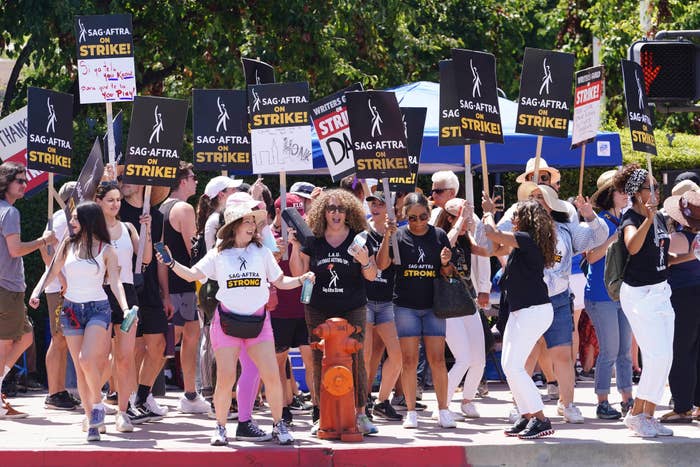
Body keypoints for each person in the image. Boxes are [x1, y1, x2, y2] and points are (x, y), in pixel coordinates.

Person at [156, 201, 313, 446]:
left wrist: (302, 279)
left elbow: (280, 281)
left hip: (259, 323)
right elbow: (193, 275)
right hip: (227, 323)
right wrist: (171, 263)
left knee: (272, 375)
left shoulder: (261, 251)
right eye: (247, 221)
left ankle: (278, 424)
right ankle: (220, 428)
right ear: (234, 226)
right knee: (226, 378)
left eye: (254, 222)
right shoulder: (219, 253)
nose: (252, 226)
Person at [30, 201, 131, 442]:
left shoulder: (106, 249)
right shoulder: (68, 244)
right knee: (80, 366)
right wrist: (36, 292)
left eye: (75, 218)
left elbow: (115, 282)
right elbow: (52, 271)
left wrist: (125, 308)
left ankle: (96, 405)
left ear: (88, 221)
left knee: (87, 359)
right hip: (71, 310)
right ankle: (93, 419)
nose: (72, 222)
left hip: (98, 309)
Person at [289, 188, 379, 436]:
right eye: (331, 209)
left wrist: (365, 262)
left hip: (352, 307)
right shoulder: (313, 239)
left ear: (348, 212)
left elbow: (371, 276)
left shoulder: (360, 238)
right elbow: (300, 272)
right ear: (323, 212)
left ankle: (360, 413)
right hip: (318, 308)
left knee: (357, 358)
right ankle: (321, 414)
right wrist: (295, 247)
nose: (336, 213)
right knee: (319, 360)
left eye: (341, 209)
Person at [613, 164, 695, 437]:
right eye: (652, 187)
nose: (657, 192)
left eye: (656, 187)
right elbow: (632, 247)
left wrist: (692, 255)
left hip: (661, 292)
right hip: (639, 295)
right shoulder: (632, 219)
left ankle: (647, 414)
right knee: (656, 355)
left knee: (665, 358)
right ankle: (637, 413)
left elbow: (665, 259)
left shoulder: (659, 218)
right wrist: (647, 219)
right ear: (637, 193)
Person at [522, 184, 607, 424]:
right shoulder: (521, 228)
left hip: (558, 298)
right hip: (530, 299)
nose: (537, 200)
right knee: (528, 353)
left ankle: (567, 404)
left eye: (541, 196)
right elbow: (493, 241)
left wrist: (589, 215)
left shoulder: (567, 229)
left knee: (561, 354)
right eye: (533, 197)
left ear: (552, 202)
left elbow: (598, 236)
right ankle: (523, 405)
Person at [483, 199, 557, 439]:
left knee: (514, 366)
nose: (512, 219)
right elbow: (493, 248)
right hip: (523, 310)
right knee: (509, 366)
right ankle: (527, 416)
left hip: (532, 310)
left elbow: (493, 233)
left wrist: (488, 213)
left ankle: (540, 418)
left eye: (515, 215)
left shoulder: (525, 239)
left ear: (525, 219)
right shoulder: (521, 243)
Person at [391, 192, 454, 429]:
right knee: (408, 361)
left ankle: (444, 409)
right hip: (406, 305)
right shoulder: (397, 236)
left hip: (433, 306)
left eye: (423, 216)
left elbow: (447, 274)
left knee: (437, 360)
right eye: (412, 218)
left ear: (429, 213)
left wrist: (446, 263)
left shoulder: (439, 236)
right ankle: (411, 411)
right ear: (405, 217)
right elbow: (384, 266)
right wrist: (388, 235)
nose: (418, 222)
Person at [0, 162, 57, 419]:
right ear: (5, 183)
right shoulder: (9, 213)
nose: (25, 184)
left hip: (7, 287)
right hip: (6, 287)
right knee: (9, 343)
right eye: (19, 181)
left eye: (25, 180)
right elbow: (15, 250)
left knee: (25, 337)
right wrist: (44, 241)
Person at [95, 182, 151, 432]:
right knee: (101, 356)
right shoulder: (92, 229)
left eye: (118, 199)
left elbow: (146, 258)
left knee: (126, 357)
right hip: (100, 293)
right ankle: (93, 404)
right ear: (99, 202)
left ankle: (123, 412)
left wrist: (146, 230)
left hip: (127, 294)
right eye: (110, 200)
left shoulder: (128, 228)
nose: (116, 204)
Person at [117, 173, 171, 422]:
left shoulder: (157, 216)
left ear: (144, 184)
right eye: (120, 178)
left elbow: (159, 255)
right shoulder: (115, 209)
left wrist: (166, 293)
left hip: (149, 287)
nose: (123, 182)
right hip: (125, 286)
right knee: (132, 348)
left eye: (127, 178)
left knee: (158, 345)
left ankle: (142, 396)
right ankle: (124, 400)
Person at [159, 162, 210, 414]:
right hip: (182, 284)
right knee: (169, 342)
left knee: (188, 336)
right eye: (192, 177)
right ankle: (138, 392)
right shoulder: (185, 209)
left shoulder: (162, 208)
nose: (196, 181)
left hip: (171, 284)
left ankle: (190, 394)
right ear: (181, 181)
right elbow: (195, 252)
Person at [583, 170, 634, 420]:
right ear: (609, 194)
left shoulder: (625, 218)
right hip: (601, 295)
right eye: (621, 190)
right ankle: (602, 401)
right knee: (610, 351)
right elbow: (591, 256)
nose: (627, 195)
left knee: (624, 351)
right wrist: (615, 238)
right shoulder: (599, 221)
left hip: (622, 293)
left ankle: (627, 399)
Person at [435, 198, 492, 419]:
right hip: (448, 306)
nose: (469, 221)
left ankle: (467, 400)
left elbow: (485, 251)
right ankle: (443, 405)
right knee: (464, 358)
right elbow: (444, 245)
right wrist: (460, 222)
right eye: (464, 218)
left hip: (468, 302)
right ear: (450, 218)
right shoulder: (440, 236)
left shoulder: (466, 239)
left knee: (479, 358)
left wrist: (488, 218)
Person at [195, 175, 242, 420]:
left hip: (227, 288)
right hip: (216, 290)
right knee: (219, 345)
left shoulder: (222, 218)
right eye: (233, 188)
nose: (238, 190)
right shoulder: (215, 220)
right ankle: (220, 398)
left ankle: (229, 397)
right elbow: (217, 255)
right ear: (222, 195)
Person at [270, 194, 315, 426]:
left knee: (312, 359)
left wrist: (296, 246)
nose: (296, 219)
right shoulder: (268, 237)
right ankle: (283, 408)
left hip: (303, 308)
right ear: (278, 213)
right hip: (279, 310)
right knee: (279, 361)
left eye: (299, 214)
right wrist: (274, 254)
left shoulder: (307, 237)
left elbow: (301, 274)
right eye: (290, 214)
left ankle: (317, 409)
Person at [661, 185, 700, 423]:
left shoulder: (677, 237)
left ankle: (683, 405)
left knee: (681, 351)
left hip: (683, 297)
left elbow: (666, 261)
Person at [362, 191, 402, 421]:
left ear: (390, 209)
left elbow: (389, 265)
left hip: (386, 302)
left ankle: (382, 400)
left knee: (397, 356)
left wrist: (389, 234)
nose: (375, 207)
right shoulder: (362, 233)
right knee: (366, 356)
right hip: (365, 300)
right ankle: (363, 400)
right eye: (372, 204)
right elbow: (380, 264)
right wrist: (387, 234)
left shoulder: (397, 233)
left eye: (380, 204)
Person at [40, 181, 80, 411]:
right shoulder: (60, 218)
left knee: (64, 339)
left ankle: (59, 391)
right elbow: (46, 249)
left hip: (66, 285)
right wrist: (62, 279)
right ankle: (54, 393)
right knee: (59, 338)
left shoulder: (71, 218)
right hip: (58, 287)